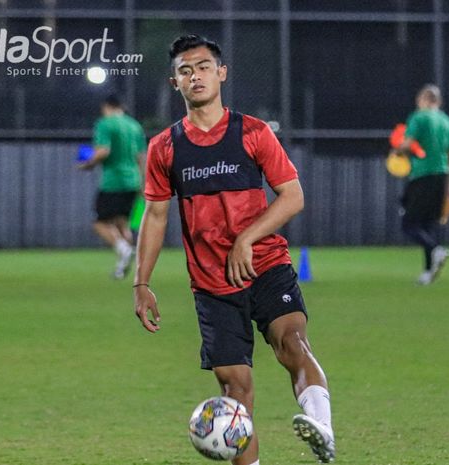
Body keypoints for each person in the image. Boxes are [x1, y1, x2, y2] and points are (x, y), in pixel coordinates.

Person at [132, 35, 335, 464]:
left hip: (266, 266)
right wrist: (141, 281)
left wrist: (246, 238)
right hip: (212, 284)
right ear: (175, 83)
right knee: (234, 393)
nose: (196, 76)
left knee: (292, 342)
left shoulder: (253, 133)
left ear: (221, 73)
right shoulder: (164, 148)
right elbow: (154, 216)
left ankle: (322, 427)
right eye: (185, 71)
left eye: (204, 66)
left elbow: (292, 195)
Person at [395, 84, 449, 285]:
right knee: (427, 223)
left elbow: (407, 144)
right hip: (442, 175)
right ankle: (427, 272)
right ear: (438, 101)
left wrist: (397, 150)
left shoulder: (419, 117)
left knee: (409, 224)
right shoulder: (448, 122)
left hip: (422, 174)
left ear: (423, 99)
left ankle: (436, 250)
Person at [79, 95, 146, 279]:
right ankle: (124, 268)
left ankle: (124, 250)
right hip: (133, 181)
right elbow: (141, 156)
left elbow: (103, 151)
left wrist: (88, 164)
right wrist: (143, 182)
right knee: (122, 223)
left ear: (106, 107)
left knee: (100, 223)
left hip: (113, 181)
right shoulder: (134, 126)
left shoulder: (105, 124)